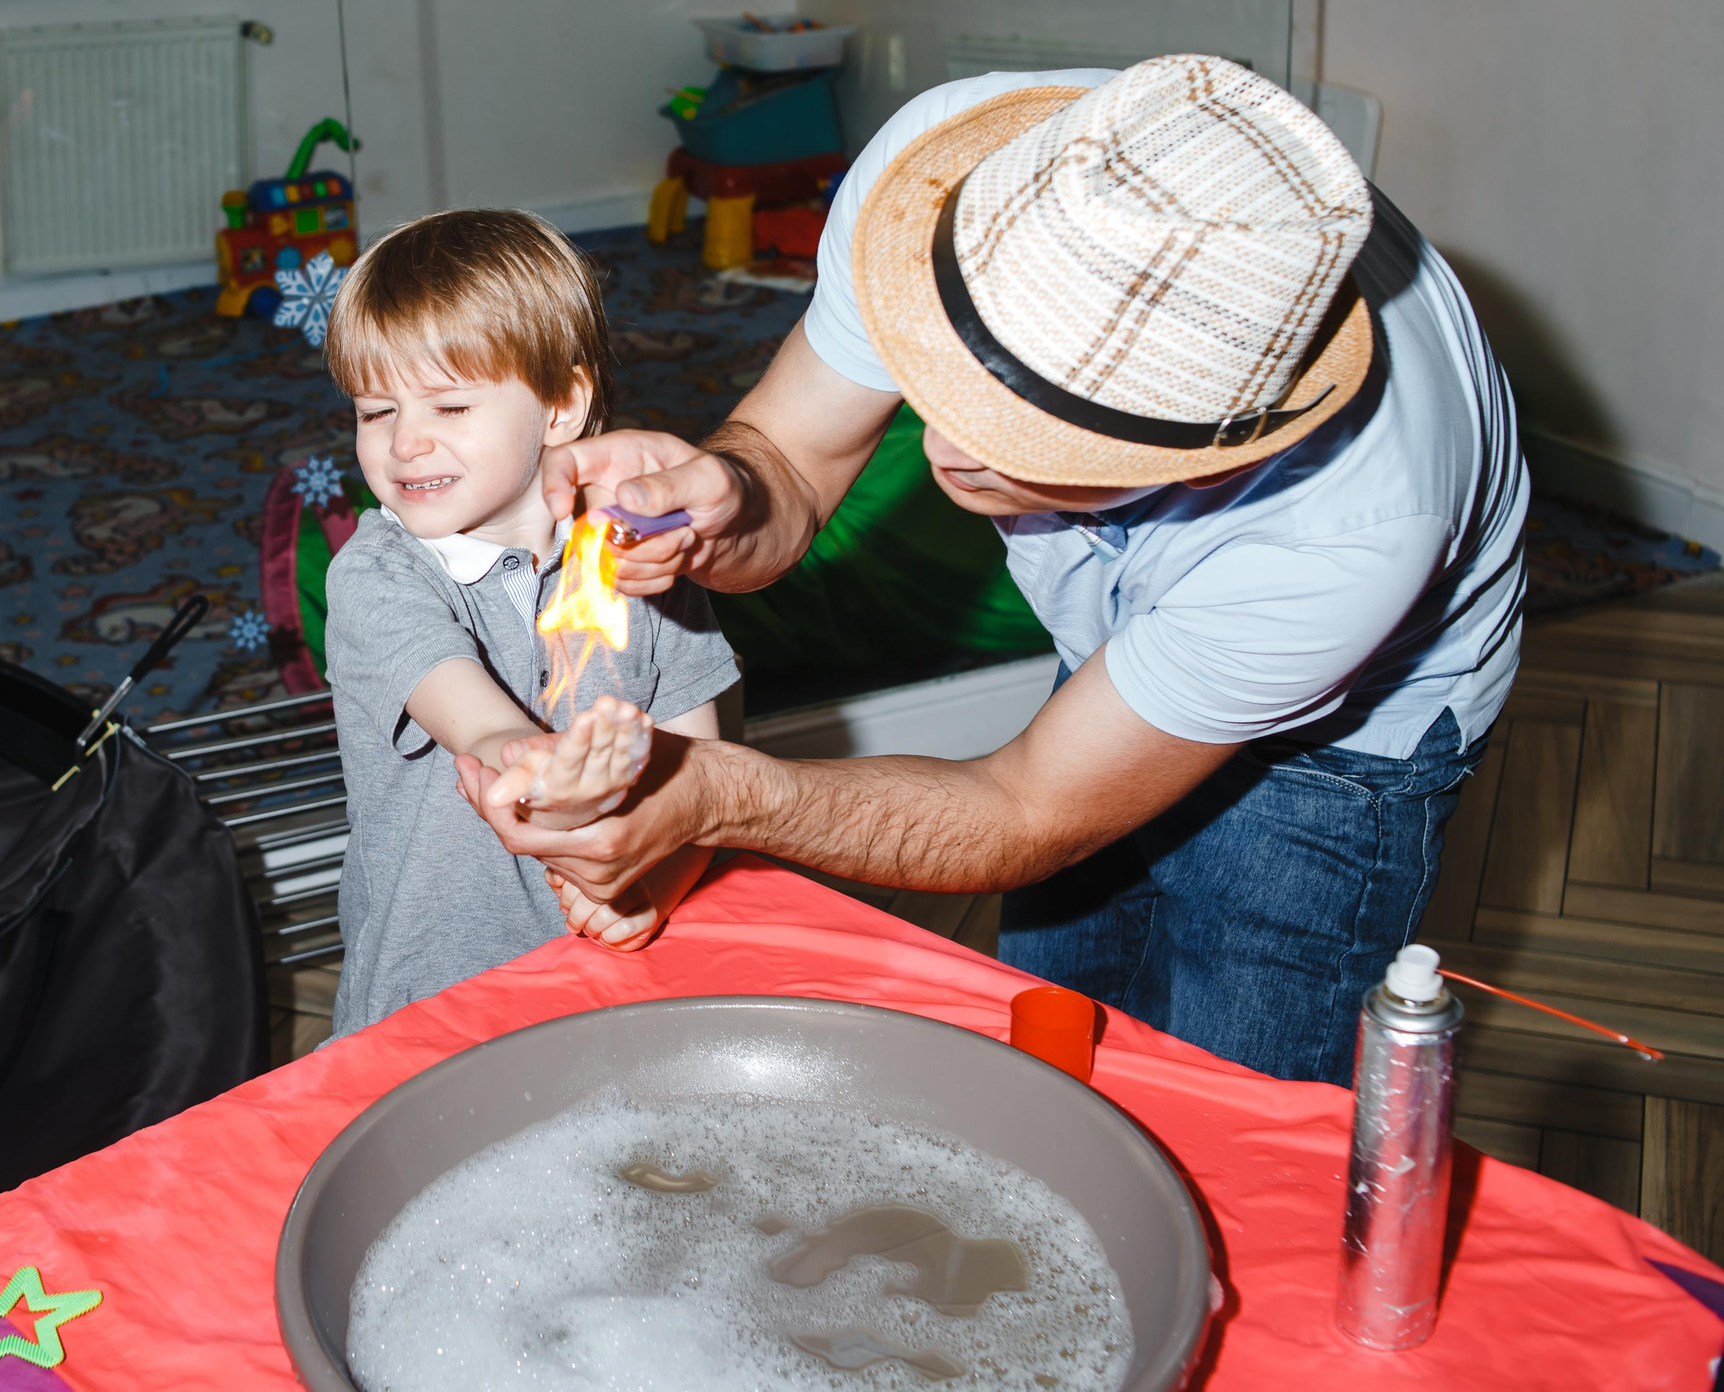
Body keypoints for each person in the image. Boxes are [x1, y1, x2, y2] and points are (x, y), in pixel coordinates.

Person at [466, 56, 1528, 1084]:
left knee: (1236, 1106)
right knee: (1050, 1029)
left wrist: (714, 793)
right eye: (946, 375)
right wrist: (723, 496)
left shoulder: (1345, 529)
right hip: (1132, 641)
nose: (942, 451)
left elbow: (1029, 807)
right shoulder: (962, 176)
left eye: (1033, 444)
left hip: (1341, 747)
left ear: (1211, 453)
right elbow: (788, 462)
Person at [318, 210, 745, 1037]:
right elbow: (482, 729)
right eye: (376, 411)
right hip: (429, 1002)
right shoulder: (375, 576)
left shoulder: (641, 562)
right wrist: (549, 767)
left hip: (608, 988)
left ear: (561, 407)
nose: (406, 442)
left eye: (447, 406)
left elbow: (706, 784)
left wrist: (649, 892)